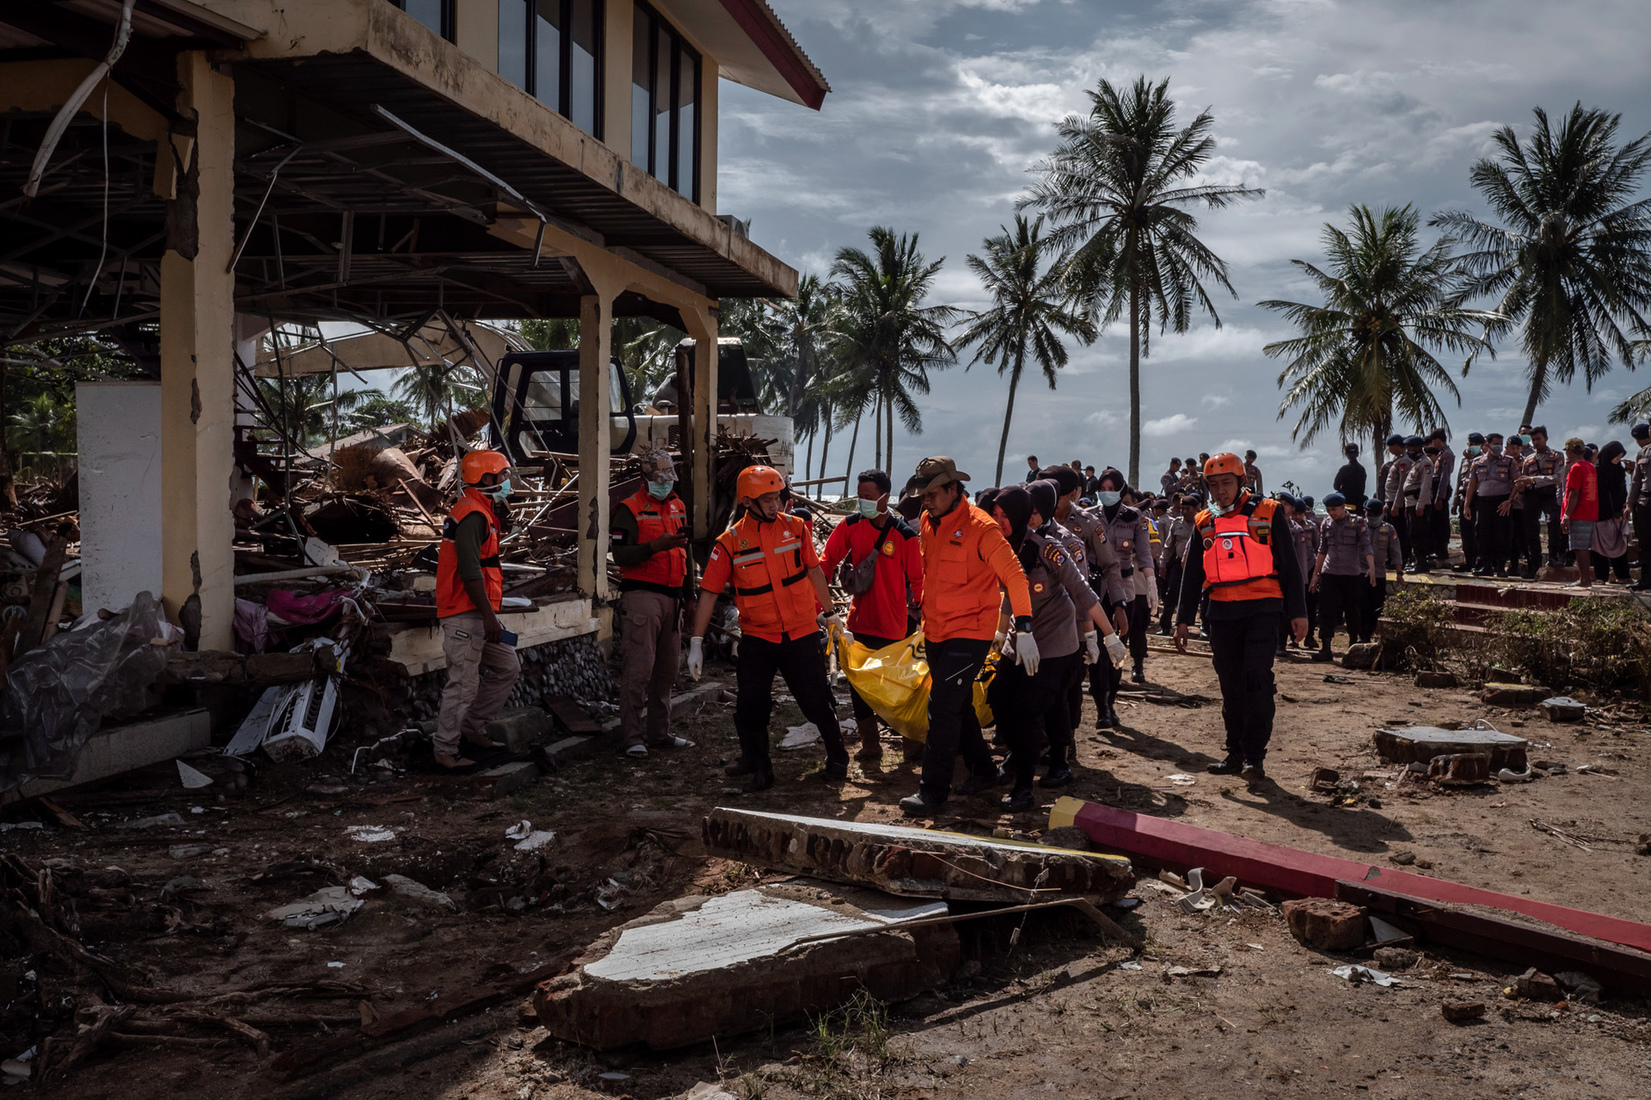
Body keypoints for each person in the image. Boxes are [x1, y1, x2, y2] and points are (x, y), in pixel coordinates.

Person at [687, 465, 847, 792]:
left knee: (816, 699)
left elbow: (815, 572)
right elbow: (708, 593)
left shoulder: (797, 528)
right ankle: (760, 766)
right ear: (748, 502)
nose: (777, 505)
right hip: (758, 637)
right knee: (751, 703)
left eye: (778, 497)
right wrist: (696, 641)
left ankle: (838, 756)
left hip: (801, 633)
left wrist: (830, 614)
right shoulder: (729, 543)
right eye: (769, 499)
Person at [900, 457, 1037, 817]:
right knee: (956, 704)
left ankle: (933, 792)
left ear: (953, 489)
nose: (924, 501)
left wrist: (1023, 628)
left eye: (931, 494)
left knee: (942, 708)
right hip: (936, 630)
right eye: (922, 494)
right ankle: (983, 768)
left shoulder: (982, 528)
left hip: (971, 633)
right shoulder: (929, 522)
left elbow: (1016, 577)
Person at [987, 482, 1124, 808]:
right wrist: (999, 633)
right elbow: (1008, 595)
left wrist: (1107, 636)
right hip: (1018, 642)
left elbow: (1082, 593)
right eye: (995, 514)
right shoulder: (1002, 547)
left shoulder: (1048, 548)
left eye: (1004, 515)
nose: (998, 520)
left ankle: (1024, 787)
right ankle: (1019, 758)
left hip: (1054, 645)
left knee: (1030, 711)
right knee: (999, 703)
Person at [1174, 453, 1308, 780]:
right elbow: (1192, 573)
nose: (1220, 490)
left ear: (1241, 481)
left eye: (1227, 483)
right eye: (1214, 485)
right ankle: (1234, 753)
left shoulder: (1269, 511)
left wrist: (1298, 612)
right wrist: (1182, 619)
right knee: (1230, 684)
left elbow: (1289, 565)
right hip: (1220, 610)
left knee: (1257, 679)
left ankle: (1254, 757)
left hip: (1263, 606)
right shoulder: (1204, 520)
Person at [821, 469, 924, 761]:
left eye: (868, 497)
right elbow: (825, 564)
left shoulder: (904, 535)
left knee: (899, 687)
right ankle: (870, 744)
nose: (862, 502)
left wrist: (924, 619)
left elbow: (919, 582)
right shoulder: (851, 526)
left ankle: (912, 745)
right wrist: (822, 610)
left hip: (895, 627)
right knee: (860, 688)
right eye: (860, 497)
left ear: (884, 497)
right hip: (859, 624)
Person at [433, 449, 522, 769]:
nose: (506, 481)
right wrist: (488, 616)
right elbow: (470, 572)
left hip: (476, 612)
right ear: (486, 479)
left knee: (507, 666)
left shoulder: (480, 511)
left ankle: (473, 727)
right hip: (465, 614)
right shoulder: (472, 514)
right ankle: (445, 750)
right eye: (502, 476)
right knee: (463, 684)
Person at [610, 449, 696, 759]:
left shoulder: (678, 506)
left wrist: (691, 596)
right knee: (639, 669)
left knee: (666, 671)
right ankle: (633, 737)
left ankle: (659, 733)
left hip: (673, 598)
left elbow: (686, 556)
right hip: (641, 596)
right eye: (658, 480)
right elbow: (620, 556)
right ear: (644, 478)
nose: (664, 484)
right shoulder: (628, 510)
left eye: (667, 479)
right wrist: (654, 547)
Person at [1041, 465, 1129, 729]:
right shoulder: (1032, 518)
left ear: (1074, 494)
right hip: (1043, 610)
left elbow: (1110, 565)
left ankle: (1080, 728)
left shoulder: (1088, 523)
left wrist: (1118, 604)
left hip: (1083, 610)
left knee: (1077, 676)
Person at [1095, 468, 1156, 689]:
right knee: (1097, 648)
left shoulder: (1135, 518)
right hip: (1096, 590)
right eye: (1102, 489)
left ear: (1120, 491)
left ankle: (1112, 693)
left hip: (1125, 587)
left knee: (1120, 643)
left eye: (1111, 489)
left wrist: (1151, 581)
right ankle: (1102, 702)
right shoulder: (1089, 516)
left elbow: (1145, 552)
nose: (1106, 493)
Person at [1310, 493, 1375, 661]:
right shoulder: (1326, 524)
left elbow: (1366, 546)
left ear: (1343, 507)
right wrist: (1315, 575)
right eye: (1329, 510)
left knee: (1352, 610)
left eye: (1334, 509)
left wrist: (1371, 568)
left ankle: (1353, 645)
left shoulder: (1358, 522)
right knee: (1326, 610)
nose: (1332, 513)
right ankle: (1326, 647)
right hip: (1330, 572)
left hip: (1351, 574)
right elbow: (1322, 551)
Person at [1464, 432, 1517, 577]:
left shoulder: (1509, 461)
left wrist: (1510, 501)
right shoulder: (1477, 462)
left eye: (1500, 443)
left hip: (1502, 502)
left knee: (1502, 534)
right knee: (1482, 534)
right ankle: (1486, 565)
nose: (1498, 446)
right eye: (1495, 443)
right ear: (1486, 444)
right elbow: (1472, 484)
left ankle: (1500, 567)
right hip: (1483, 501)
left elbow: (1517, 483)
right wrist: (1466, 505)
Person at [1518, 426, 1566, 571]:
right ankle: (1534, 563)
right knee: (1531, 529)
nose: (1536, 442)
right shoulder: (1528, 460)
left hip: (1550, 494)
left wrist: (1533, 479)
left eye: (1538, 439)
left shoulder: (1557, 456)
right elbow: (1523, 479)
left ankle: (1554, 556)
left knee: (1553, 522)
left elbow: (1558, 477)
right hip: (1532, 495)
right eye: (1533, 440)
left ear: (1546, 439)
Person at [1362, 499, 1404, 641]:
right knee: (1360, 605)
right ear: (1365, 512)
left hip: (1379, 573)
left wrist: (1399, 573)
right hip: (1360, 571)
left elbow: (1396, 552)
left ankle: (1368, 633)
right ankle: (1360, 635)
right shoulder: (1360, 527)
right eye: (1370, 514)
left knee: (1376, 606)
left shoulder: (1389, 529)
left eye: (1376, 514)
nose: (1373, 517)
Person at [1560, 437, 1598, 589]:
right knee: (1583, 548)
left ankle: (1584, 580)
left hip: (1579, 512)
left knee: (1579, 548)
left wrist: (1567, 515)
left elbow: (1574, 493)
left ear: (1569, 452)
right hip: (1589, 512)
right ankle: (1585, 579)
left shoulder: (1576, 468)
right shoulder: (1590, 466)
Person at [1594, 441, 1632, 584]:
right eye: (1616, 456)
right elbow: (1600, 493)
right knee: (1599, 547)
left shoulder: (1619, 470)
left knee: (1620, 546)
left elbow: (1623, 489)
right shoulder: (1598, 470)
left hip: (1618, 514)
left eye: (1620, 457)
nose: (1617, 460)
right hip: (1602, 515)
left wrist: (1624, 506)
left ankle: (1623, 575)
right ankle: (1601, 576)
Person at [1452, 433, 1484, 572]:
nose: (1471, 446)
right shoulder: (1463, 461)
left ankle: (1478, 561)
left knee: (1476, 531)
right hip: (1463, 497)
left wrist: (1473, 460)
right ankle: (1468, 561)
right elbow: (1459, 481)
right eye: (1470, 444)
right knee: (1465, 532)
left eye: (1475, 444)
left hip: (1477, 498)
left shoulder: (1483, 460)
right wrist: (1454, 502)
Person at [1379, 434, 1413, 563]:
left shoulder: (1404, 461)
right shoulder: (1397, 460)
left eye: (1390, 446)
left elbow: (1401, 485)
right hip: (1391, 500)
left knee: (1399, 532)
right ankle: (1393, 557)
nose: (1389, 449)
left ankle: (1402, 558)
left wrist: (1396, 505)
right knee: (1391, 532)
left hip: (1397, 502)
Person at [1426, 429, 1454, 568]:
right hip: (1435, 488)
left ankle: (1442, 550)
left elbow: (1444, 478)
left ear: (1438, 440)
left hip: (1440, 490)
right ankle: (1435, 549)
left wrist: (1440, 497)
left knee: (1441, 523)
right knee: (1434, 522)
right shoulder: (1441, 454)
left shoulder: (1447, 455)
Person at [1630, 423, 1651, 591]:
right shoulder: (1642, 453)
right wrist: (1629, 504)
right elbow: (1636, 481)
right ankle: (1646, 580)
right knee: (1645, 543)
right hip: (1645, 502)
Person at [1333, 443, 1367, 508]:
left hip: (1345, 503)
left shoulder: (1344, 469)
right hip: (1358, 503)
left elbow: (1336, 486)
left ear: (1346, 454)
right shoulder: (1362, 469)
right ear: (1357, 454)